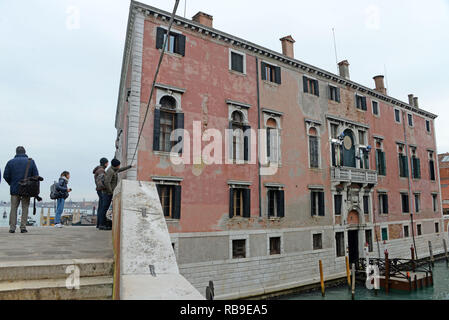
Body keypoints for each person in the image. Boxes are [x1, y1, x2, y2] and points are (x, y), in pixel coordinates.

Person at [3, 146, 39, 233]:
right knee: (25, 207)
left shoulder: (10, 162)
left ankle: (12, 228)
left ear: (16, 152)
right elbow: (36, 176)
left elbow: (5, 176)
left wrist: (11, 183)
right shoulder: (31, 162)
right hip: (26, 189)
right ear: (25, 152)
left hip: (14, 189)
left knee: (13, 208)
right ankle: (23, 227)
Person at [99, 159, 133, 231]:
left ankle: (104, 224)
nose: (119, 166)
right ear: (116, 165)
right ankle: (102, 225)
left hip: (109, 193)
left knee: (106, 209)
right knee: (105, 209)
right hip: (107, 193)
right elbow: (107, 182)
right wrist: (111, 192)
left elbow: (120, 170)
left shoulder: (114, 169)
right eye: (119, 165)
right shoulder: (110, 171)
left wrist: (129, 167)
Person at [93, 158, 108, 229]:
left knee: (100, 207)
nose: (108, 164)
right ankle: (101, 224)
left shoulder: (98, 170)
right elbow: (100, 182)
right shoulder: (101, 170)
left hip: (99, 190)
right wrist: (105, 188)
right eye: (107, 163)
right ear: (105, 163)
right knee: (102, 207)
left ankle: (99, 224)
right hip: (101, 190)